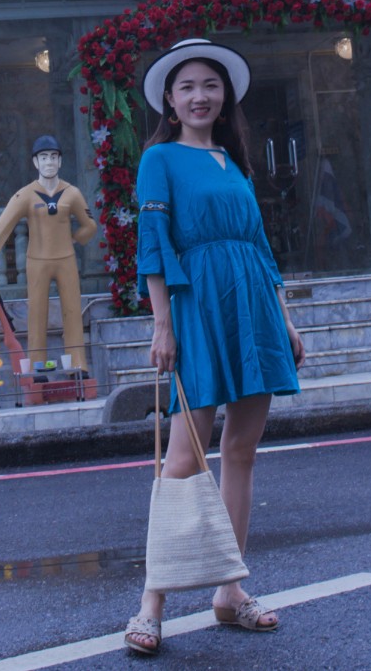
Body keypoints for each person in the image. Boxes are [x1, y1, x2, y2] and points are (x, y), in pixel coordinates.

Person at [125, 38, 304, 656]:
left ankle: (230, 591)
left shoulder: (234, 162)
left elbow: (259, 247)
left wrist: (284, 319)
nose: (200, 96)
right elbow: (152, 244)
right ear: (170, 103)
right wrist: (163, 324)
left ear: (224, 96)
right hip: (197, 309)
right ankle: (151, 602)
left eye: (210, 85)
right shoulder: (160, 160)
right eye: (187, 88)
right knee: (181, 459)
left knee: (243, 452)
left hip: (252, 306)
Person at [0, 136, 99, 374]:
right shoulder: (26, 195)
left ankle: (77, 361)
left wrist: (75, 239)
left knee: (72, 312)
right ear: (35, 162)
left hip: (66, 259)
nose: (49, 162)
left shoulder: (72, 193)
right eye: (44, 157)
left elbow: (90, 225)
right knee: (37, 314)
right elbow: (6, 221)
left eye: (54, 157)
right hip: (37, 261)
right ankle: (37, 365)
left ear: (60, 161)